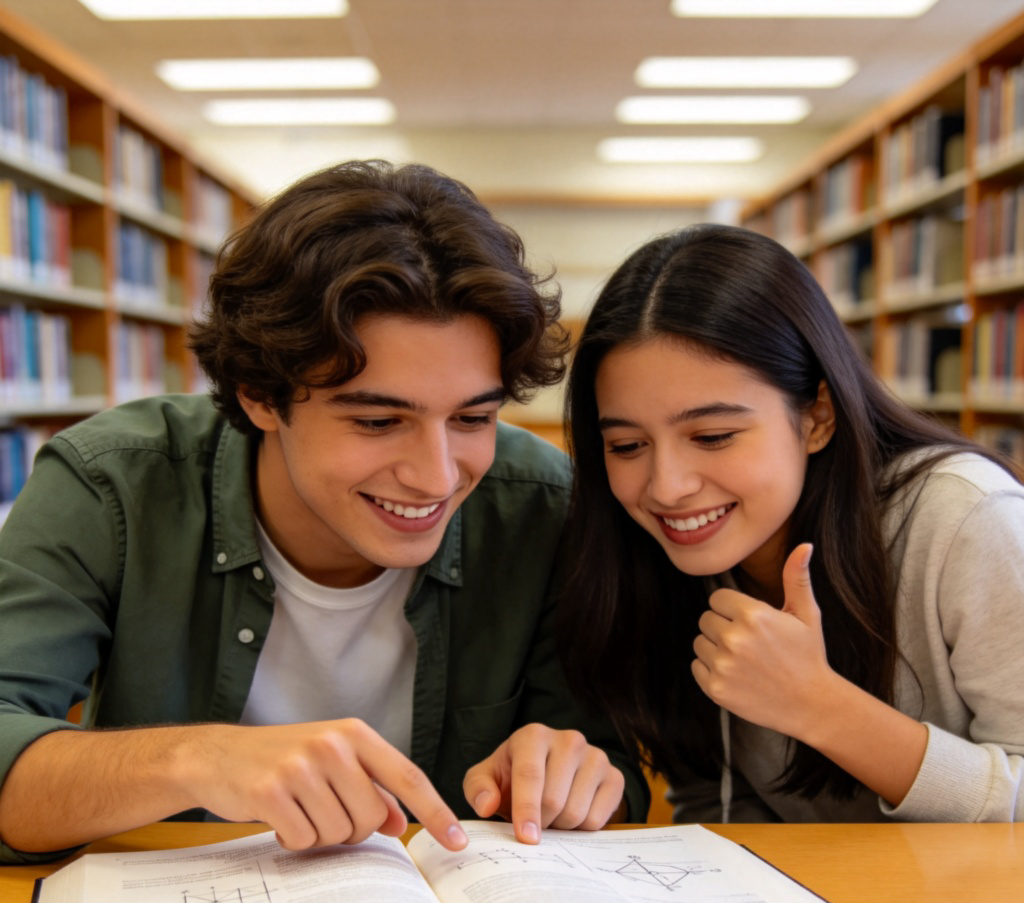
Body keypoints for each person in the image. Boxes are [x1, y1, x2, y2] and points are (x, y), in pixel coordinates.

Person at [0, 160, 646, 866]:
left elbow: (611, 779)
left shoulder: (544, 505)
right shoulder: (110, 484)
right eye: (377, 421)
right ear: (258, 395)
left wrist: (576, 777)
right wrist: (199, 758)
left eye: (472, 417)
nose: (436, 475)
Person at [559, 222, 1024, 824]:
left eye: (713, 436)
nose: (667, 487)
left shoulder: (963, 515)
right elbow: (713, 801)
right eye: (626, 446)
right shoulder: (654, 553)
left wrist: (823, 707)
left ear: (818, 417)